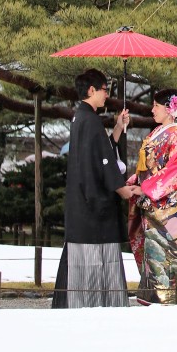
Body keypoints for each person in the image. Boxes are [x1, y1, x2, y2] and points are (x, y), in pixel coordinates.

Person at [52, 69, 141, 308]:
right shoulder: (89, 120)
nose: (107, 95)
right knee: (94, 258)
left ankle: (81, 301)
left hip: (80, 203)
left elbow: (101, 153)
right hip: (92, 206)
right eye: (104, 90)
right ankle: (94, 303)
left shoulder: (80, 117)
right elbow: (103, 161)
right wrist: (122, 189)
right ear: (91, 90)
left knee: (83, 257)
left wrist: (119, 127)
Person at [128, 89, 177, 304]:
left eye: (156, 106)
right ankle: (154, 294)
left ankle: (171, 295)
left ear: (170, 110)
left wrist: (145, 187)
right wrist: (136, 182)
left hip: (168, 205)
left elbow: (175, 171)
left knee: (174, 249)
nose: (152, 110)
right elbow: (150, 169)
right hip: (154, 202)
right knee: (155, 248)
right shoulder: (157, 134)